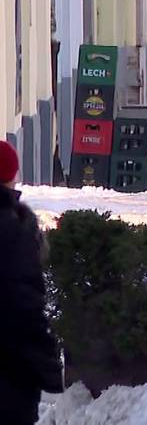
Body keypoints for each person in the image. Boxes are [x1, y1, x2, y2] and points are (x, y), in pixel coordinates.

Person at [0, 142, 64, 424]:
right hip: (9, 374)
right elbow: (24, 304)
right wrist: (46, 362)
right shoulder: (14, 228)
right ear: (11, 174)